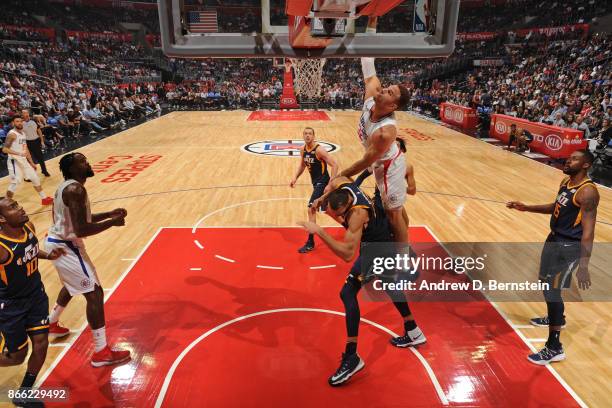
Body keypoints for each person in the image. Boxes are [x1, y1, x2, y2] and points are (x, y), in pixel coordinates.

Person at [300, 176, 426, 386]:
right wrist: (321, 199)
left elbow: (348, 254)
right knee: (388, 285)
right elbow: (334, 181)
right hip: (384, 239)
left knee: (347, 292)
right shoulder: (345, 184)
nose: (336, 218)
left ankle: (352, 357)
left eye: (338, 216)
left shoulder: (358, 215)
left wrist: (319, 231)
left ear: (346, 209)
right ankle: (413, 330)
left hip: (377, 249)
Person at [507, 149, 599, 365]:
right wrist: (527, 208)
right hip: (554, 239)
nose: (569, 160)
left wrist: (584, 266)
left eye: (575, 158)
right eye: (570, 157)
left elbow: (589, 232)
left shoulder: (588, 192)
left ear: (585, 165)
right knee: (546, 283)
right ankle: (558, 317)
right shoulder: (566, 183)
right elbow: (555, 207)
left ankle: (554, 346)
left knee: (552, 288)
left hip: (568, 246)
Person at [44, 152, 131, 367]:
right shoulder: (75, 189)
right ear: (72, 169)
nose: (87, 163)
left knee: (73, 285)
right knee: (94, 292)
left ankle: (51, 323)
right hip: (66, 245)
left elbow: (81, 219)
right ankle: (101, 352)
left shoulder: (68, 186)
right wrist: (113, 222)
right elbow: (82, 227)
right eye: (82, 162)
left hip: (59, 241)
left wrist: (109, 213)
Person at [334, 16, 411, 244]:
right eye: (388, 87)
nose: (385, 88)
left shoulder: (385, 132)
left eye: (390, 92)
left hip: (388, 167)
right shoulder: (372, 93)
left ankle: (402, 261)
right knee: (395, 207)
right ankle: (405, 242)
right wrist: (373, 20)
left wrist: (343, 174)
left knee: (393, 213)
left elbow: (365, 161)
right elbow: (367, 57)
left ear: (393, 105)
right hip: (378, 163)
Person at [0, 197, 65, 407]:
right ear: (1, 219)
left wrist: (49, 255)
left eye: (18, 204)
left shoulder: (28, 225)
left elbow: (31, 251)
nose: (20, 208)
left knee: (41, 344)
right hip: (11, 306)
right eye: (12, 208)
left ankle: (23, 393)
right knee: (17, 357)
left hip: (36, 296)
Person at [290, 127, 338, 253]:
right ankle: (353, 226)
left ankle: (310, 242)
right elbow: (302, 165)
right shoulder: (303, 150)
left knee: (311, 208)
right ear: (303, 136)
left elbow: (335, 165)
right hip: (316, 183)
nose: (307, 136)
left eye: (310, 134)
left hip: (323, 183)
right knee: (328, 210)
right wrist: (295, 177)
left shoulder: (319, 150)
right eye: (305, 133)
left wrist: (330, 183)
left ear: (314, 136)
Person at [2, 116, 53, 206]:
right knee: (15, 182)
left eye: (21, 121)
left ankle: (44, 199)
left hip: (23, 161)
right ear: (13, 123)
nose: (20, 123)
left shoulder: (23, 133)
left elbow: (26, 150)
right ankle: (4, 204)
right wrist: (19, 153)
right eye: (17, 121)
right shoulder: (12, 134)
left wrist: (32, 162)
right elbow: (5, 150)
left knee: (35, 178)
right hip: (14, 161)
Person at [22, 110, 50, 177]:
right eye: (24, 114)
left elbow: (39, 131)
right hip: (28, 142)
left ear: (28, 114)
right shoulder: (21, 123)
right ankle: (31, 173)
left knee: (40, 157)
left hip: (36, 141)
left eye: (27, 113)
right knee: (29, 159)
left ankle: (44, 170)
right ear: (22, 115)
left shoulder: (33, 121)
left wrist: (42, 141)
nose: (26, 115)